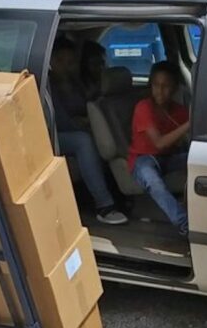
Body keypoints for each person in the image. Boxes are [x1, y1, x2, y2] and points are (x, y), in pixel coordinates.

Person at [50, 38, 128, 225]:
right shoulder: (48, 86)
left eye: (70, 62)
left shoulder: (76, 82)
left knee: (104, 134)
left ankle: (121, 193)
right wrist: (86, 125)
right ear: (51, 62)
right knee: (84, 140)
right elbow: (60, 120)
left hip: (78, 128)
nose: (66, 67)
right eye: (60, 62)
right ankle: (104, 205)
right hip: (53, 134)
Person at [128, 62, 190, 236]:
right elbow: (159, 143)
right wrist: (188, 124)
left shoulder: (179, 110)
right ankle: (185, 224)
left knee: (195, 159)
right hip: (143, 159)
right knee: (154, 183)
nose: (160, 91)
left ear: (175, 88)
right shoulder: (144, 107)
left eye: (166, 86)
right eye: (156, 85)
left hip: (168, 158)